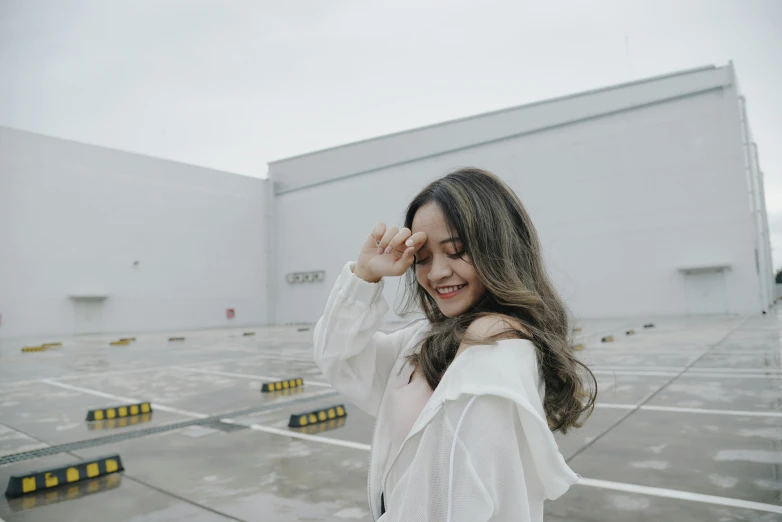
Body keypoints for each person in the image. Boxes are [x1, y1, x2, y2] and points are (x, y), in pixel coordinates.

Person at [314, 168, 596, 521]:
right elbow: (340, 360)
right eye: (423, 258)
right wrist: (365, 276)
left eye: (457, 251)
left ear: (499, 249)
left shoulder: (498, 348)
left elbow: (458, 504)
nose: (436, 273)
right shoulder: (425, 339)